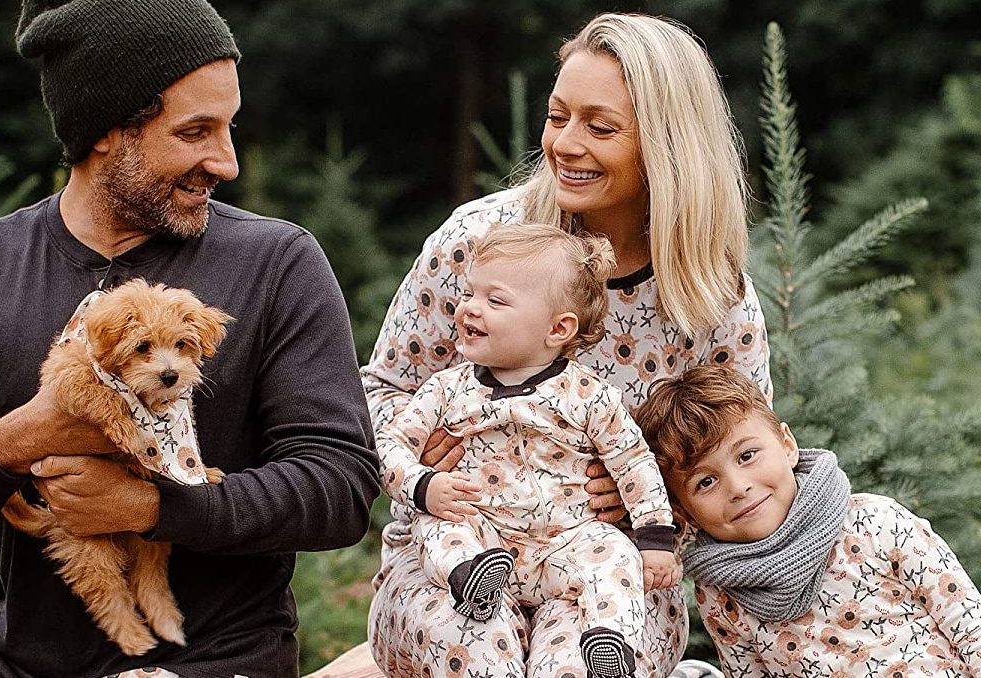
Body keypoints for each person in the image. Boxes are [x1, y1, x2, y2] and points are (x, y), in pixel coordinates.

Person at [0, 2, 379, 677]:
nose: (227, 162)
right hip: (7, 662)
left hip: (207, 662)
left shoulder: (277, 263)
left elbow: (338, 490)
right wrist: (19, 438)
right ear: (106, 130)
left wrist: (157, 507)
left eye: (229, 128)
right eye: (196, 132)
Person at [361, 12, 771, 677]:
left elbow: (742, 465)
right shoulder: (479, 240)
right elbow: (381, 389)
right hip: (456, 558)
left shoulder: (712, 297)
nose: (566, 145)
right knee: (471, 653)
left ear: (668, 145)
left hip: (603, 574)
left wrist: (652, 499)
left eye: (600, 127)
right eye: (558, 118)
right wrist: (423, 464)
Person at [377, 223, 679, 677]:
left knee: (612, 551)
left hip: (564, 542)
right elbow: (390, 444)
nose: (469, 309)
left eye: (495, 300)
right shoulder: (447, 389)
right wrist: (423, 484)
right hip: (481, 537)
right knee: (439, 526)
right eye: (470, 294)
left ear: (559, 328)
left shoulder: (588, 396)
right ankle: (470, 582)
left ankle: (606, 638)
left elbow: (633, 462)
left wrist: (655, 535)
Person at [635, 364, 981, 675]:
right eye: (705, 482)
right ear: (681, 510)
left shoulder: (876, 521)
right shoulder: (720, 593)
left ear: (787, 445)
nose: (738, 487)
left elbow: (970, 627)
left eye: (747, 455)